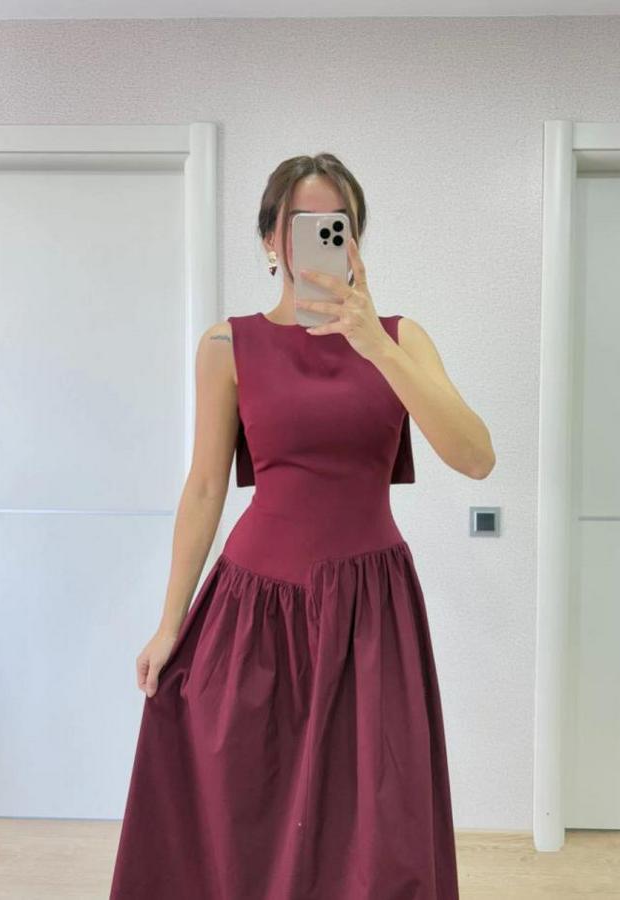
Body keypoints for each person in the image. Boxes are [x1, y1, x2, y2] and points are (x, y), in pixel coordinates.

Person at [109, 152, 495, 899]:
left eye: (337, 223)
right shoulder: (227, 346)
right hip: (255, 610)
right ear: (271, 240)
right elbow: (204, 488)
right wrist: (169, 623)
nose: (322, 237)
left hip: (371, 614)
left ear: (356, 239)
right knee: (245, 810)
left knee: (378, 826)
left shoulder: (401, 337)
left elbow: (475, 456)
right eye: (302, 223)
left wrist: (374, 345)